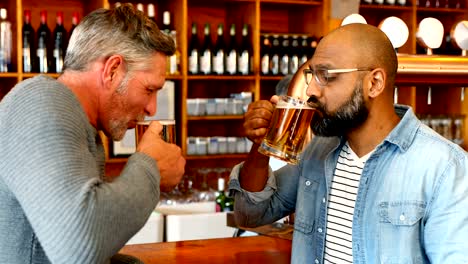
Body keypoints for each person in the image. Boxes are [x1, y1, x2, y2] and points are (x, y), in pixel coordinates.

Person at [229, 23, 468, 263]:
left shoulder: (445, 166)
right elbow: (250, 214)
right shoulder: (318, 150)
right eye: (312, 75)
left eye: (327, 76)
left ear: (374, 83)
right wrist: (261, 146)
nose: (311, 89)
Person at [0, 4, 185, 264]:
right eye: (149, 89)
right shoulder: (40, 102)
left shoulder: (72, 117)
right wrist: (150, 169)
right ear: (112, 70)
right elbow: (78, 246)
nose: (151, 108)